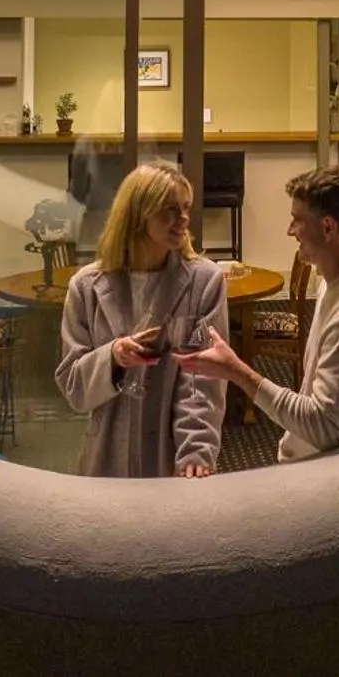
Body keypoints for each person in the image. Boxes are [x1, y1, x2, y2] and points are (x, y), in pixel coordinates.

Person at [181, 166, 339, 462]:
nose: (290, 230)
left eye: (297, 221)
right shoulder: (337, 282)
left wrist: (237, 371)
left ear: (328, 228)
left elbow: (325, 428)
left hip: (335, 483)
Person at [56, 163, 228, 477]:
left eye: (185, 208)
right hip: (106, 460)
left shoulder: (205, 281)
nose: (183, 219)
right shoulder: (86, 286)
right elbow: (73, 386)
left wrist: (195, 451)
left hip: (173, 461)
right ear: (138, 214)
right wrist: (112, 358)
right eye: (170, 210)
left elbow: (203, 382)